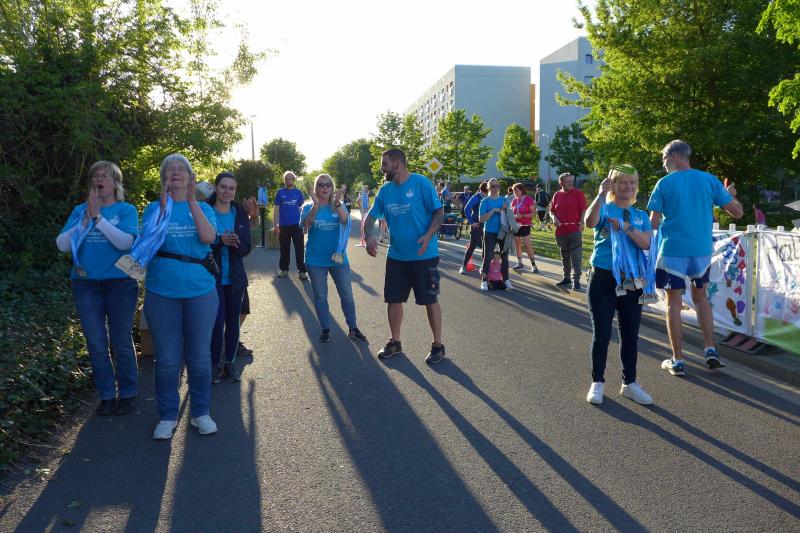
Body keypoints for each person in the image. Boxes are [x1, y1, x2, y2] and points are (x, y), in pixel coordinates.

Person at [648, 140, 743, 376]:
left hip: (673, 251)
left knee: (673, 304)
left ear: (674, 156)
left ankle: (678, 360)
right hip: (701, 251)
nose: (663, 164)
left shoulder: (664, 183)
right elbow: (738, 212)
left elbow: (653, 223)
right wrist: (729, 196)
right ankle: (710, 349)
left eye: (664, 159)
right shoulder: (709, 180)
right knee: (701, 299)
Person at [143, 154, 219, 440]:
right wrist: (164, 208)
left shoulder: (204, 208)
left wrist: (190, 202)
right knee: (166, 359)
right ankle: (167, 415)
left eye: (181, 169)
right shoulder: (153, 208)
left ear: (190, 178)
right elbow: (147, 242)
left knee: (199, 357)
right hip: (162, 293)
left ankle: (200, 412)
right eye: (170, 169)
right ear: (164, 178)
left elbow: (208, 237)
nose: (175, 172)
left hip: (200, 292)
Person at [56, 161, 139, 416]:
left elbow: (124, 243)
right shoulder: (79, 210)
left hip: (120, 284)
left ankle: (128, 393)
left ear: (115, 182)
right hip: (86, 285)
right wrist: (85, 219)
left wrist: (98, 218)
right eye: (95, 176)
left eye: (105, 176)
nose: (99, 179)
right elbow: (62, 245)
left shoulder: (126, 210)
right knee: (95, 342)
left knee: (120, 340)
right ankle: (106, 394)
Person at [364, 148, 446, 364]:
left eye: (384, 164)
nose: (382, 169)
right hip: (397, 256)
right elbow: (371, 217)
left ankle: (437, 345)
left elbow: (439, 212)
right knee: (393, 299)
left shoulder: (421, 183)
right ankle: (395, 342)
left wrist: (428, 235)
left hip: (424, 255)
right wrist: (368, 236)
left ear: (397, 164)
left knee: (429, 300)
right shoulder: (385, 191)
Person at [584, 166, 654, 405]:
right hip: (603, 279)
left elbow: (647, 243)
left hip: (632, 282)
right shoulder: (604, 208)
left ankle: (630, 383)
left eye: (632, 182)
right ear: (613, 185)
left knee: (630, 336)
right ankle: (597, 382)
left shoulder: (640, 215)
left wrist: (626, 228)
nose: (629, 187)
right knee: (602, 334)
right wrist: (600, 195)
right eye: (623, 182)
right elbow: (589, 222)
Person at [302, 174, 367, 343]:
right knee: (320, 296)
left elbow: (345, 221)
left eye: (328, 185)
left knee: (347, 294)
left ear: (332, 188)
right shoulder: (308, 206)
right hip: (315, 260)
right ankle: (325, 328)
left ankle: (353, 328)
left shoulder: (338, 206)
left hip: (338, 259)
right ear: (316, 188)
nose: (324, 188)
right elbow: (306, 225)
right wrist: (315, 206)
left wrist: (337, 203)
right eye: (321, 185)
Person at [207, 172, 251, 383]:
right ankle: (215, 364)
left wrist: (236, 244)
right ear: (216, 188)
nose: (227, 191)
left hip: (235, 278)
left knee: (233, 321)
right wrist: (219, 241)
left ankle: (229, 364)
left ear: (235, 191)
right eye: (223, 187)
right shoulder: (205, 210)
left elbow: (246, 247)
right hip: (211, 278)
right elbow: (198, 242)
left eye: (231, 188)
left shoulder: (239, 212)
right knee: (216, 323)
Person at [551, 172, 588, 290]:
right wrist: (554, 218)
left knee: (576, 256)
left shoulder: (578, 193)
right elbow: (552, 211)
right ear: (561, 183)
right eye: (567, 182)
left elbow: (584, 210)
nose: (570, 183)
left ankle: (576, 280)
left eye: (571, 181)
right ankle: (566, 277)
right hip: (561, 232)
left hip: (574, 230)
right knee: (565, 256)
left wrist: (582, 222)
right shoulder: (557, 195)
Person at [478, 178, 513, 291]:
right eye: (493, 186)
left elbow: (510, 215)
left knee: (504, 256)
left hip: (503, 231)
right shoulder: (485, 201)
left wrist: (505, 210)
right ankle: (484, 281)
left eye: (497, 186)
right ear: (488, 188)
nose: (495, 188)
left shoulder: (504, 200)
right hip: (490, 231)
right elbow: (481, 219)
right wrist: (493, 210)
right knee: (488, 256)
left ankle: (506, 279)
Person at [274, 171, 307, 280]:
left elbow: (302, 208)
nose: (288, 181)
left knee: (300, 248)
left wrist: (305, 224)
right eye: (286, 179)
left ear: (294, 180)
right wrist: (275, 224)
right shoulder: (280, 192)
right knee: (284, 249)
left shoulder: (299, 193)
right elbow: (276, 209)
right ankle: (284, 270)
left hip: (297, 225)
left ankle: (302, 271)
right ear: (284, 180)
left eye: (290, 179)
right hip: (283, 225)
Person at [460, 181, 488, 274]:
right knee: (472, 245)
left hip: (487, 225)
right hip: (477, 224)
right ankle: (464, 266)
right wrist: (472, 222)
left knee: (486, 246)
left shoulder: (490, 197)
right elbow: (466, 209)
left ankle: (484, 267)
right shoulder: (476, 197)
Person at [511, 183, 539, 273]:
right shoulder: (514, 200)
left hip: (525, 225)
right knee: (517, 244)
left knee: (527, 245)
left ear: (522, 190)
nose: (514, 192)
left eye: (516, 190)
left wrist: (523, 215)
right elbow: (511, 213)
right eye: (513, 191)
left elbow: (534, 213)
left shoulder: (528, 199)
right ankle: (520, 263)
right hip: (516, 225)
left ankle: (534, 265)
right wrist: (514, 216)